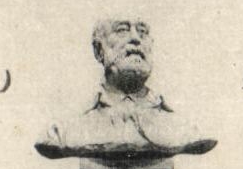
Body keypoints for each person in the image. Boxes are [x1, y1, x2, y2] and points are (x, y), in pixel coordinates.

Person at [36, 18, 216, 161]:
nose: (135, 39)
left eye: (142, 32)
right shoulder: (64, 131)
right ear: (99, 50)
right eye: (122, 30)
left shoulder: (187, 129)